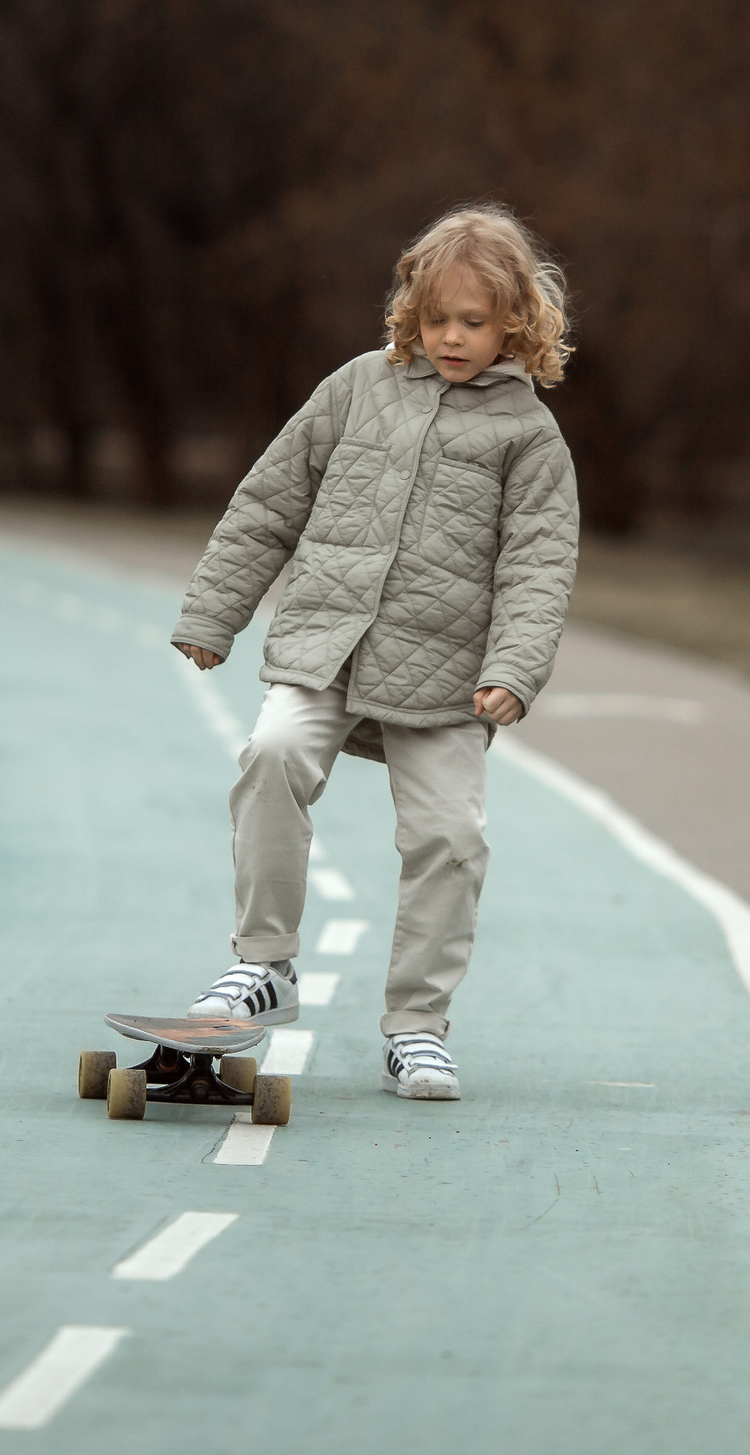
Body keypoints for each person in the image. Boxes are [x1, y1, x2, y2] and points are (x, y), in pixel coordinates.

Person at [169, 202, 580, 1101]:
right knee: (272, 754)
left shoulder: (529, 437)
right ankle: (264, 962)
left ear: (515, 322)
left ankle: (417, 1026)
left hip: (448, 676)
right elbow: (269, 501)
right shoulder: (357, 387)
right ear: (411, 312)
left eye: (473, 321)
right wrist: (215, 611)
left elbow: (539, 568)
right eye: (436, 318)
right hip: (327, 642)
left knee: (451, 837)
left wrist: (513, 671)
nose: (451, 337)